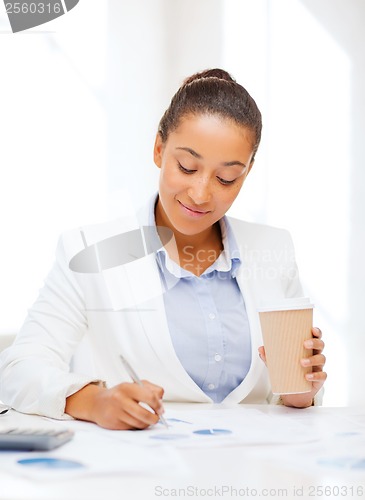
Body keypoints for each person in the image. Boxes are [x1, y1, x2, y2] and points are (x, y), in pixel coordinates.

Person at [0, 69, 326, 430]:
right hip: (139, 473)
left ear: (247, 173)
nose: (200, 194)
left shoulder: (273, 248)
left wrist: (301, 393)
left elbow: (290, 395)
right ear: (159, 149)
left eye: (226, 178)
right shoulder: (88, 251)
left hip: (251, 476)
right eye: (186, 167)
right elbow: (19, 369)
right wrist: (94, 401)